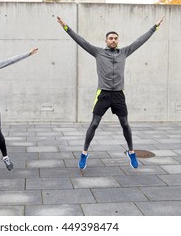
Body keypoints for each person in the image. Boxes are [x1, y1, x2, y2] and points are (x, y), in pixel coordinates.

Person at [57, 15, 164, 169]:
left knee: (125, 124)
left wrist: (155, 27)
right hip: (103, 94)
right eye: (111, 38)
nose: (113, 40)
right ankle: (84, 153)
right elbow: (81, 41)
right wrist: (66, 27)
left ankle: (131, 152)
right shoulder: (98, 52)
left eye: (115, 38)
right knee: (94, 124)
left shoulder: (124, 52)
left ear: (117, 41)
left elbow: (140, 41)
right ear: (106, 41)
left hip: (119, 94)